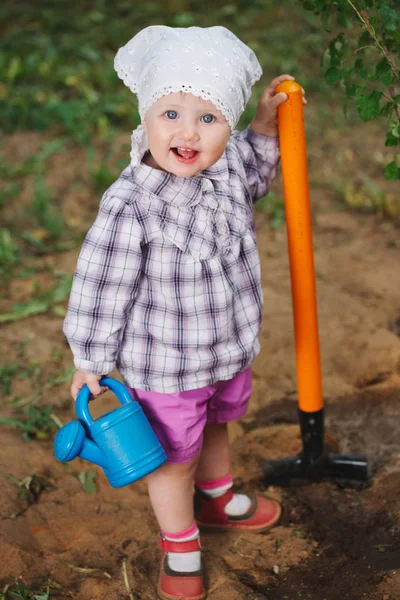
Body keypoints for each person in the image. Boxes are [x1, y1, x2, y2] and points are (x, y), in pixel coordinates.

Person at [63, 25, 306, 600]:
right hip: (165, 365)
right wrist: (91, 357)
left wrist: (265, 129)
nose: (188, 133)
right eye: (170, 114)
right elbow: (102, 281)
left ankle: (217, 496)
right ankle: (180, 543)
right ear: (145, 114)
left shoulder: (226, 166)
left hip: (226, 346)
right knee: (174, 458)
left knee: (218, 421)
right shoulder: (131, 202)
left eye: (209, 118)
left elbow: (256, 169)